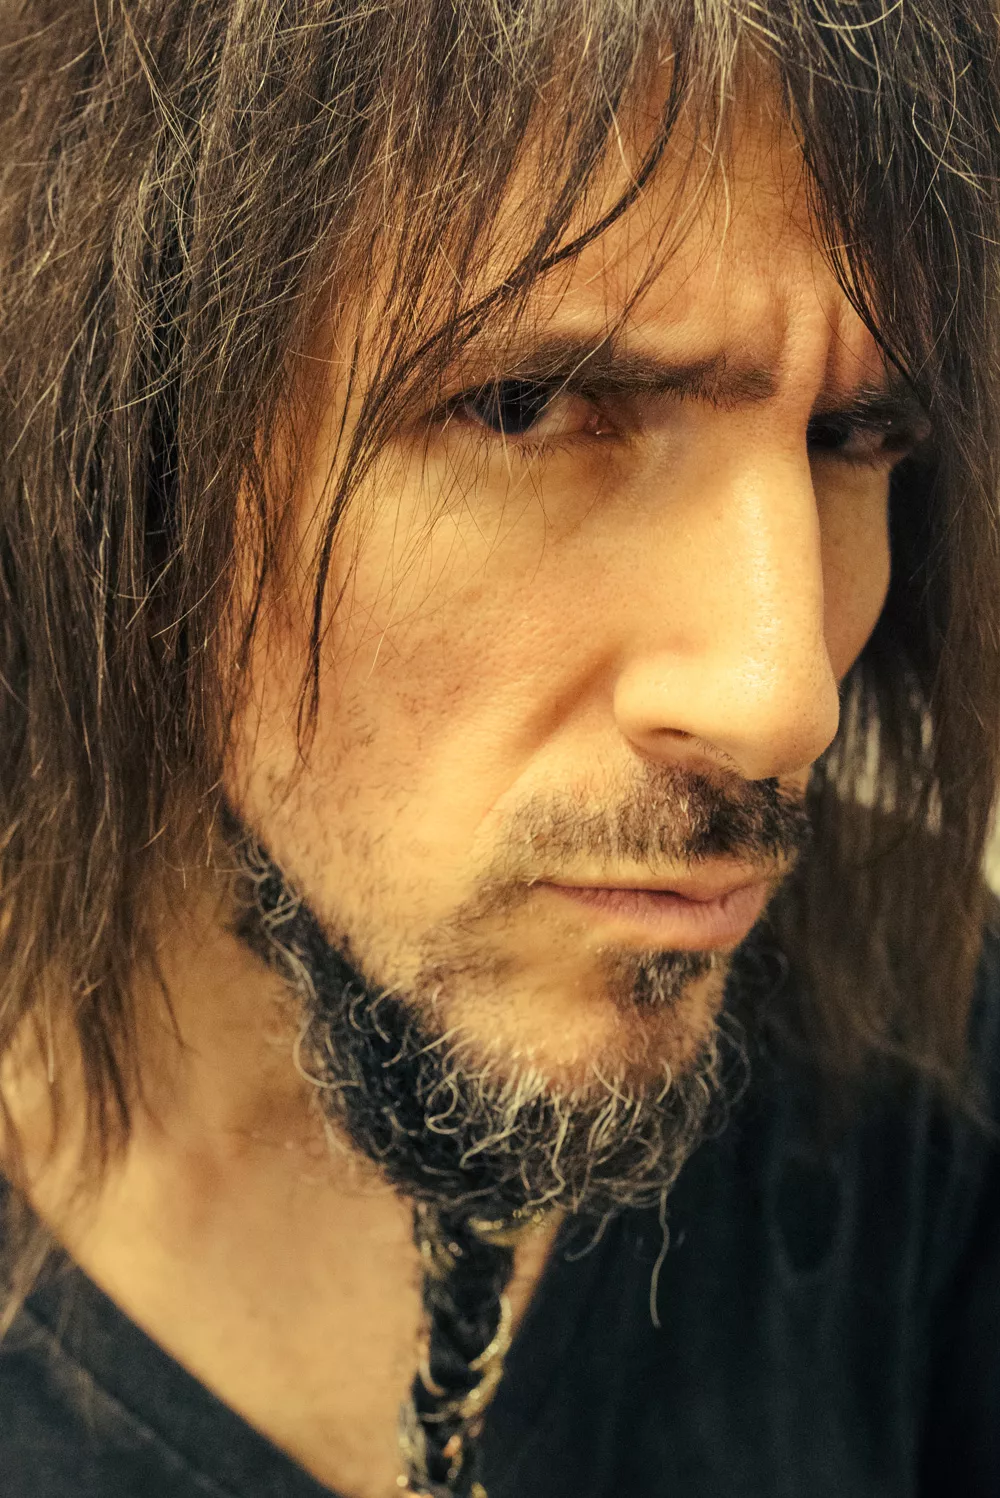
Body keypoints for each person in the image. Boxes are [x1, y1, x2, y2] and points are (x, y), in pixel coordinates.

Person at [0, 2, 998, 1495]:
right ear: (117, 446)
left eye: (849, 438)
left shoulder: (921, 1064)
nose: (786, 701)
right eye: (532, 408)